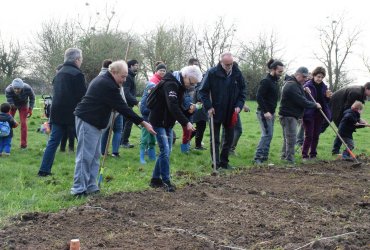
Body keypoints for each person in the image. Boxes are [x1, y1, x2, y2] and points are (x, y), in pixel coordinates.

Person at [71, 60, 155, 197]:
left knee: (95, 155)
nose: (124, 79)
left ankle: (91, 186)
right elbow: (122, 107)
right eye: (122, 76)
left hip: (96, 122)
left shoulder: (109, 82)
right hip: (87, 120)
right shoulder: (106, 84)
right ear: (113, 72)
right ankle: (78, 189)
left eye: (126, 76)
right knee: (85, 156)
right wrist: (143, 123)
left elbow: (118, 105)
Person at [148, 65, 202, 192]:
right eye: (191, 82)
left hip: (167, 122)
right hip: (158, 120)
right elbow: (172, 105)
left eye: (194, 84)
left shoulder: (180, 86)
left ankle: (155, 179)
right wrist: (185, 122)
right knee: (165, 150)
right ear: (185, 76)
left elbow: (179, 106)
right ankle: (166, 181)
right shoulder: (171, 84)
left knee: (166, 151)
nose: (191, 86)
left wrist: (189, 111)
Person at [38, 48, 87, 177]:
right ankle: (86, 172)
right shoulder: (77, 74)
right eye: (81, 59)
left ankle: (43, 170)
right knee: (84, 143)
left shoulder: (59, 74)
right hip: (73, 114)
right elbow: (83, 96)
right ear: (77, 60)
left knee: (53, 143)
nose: (81, 61)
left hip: (57, 113)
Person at [199, 52, 247, 170]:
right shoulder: (212, 73)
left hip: (231, 111)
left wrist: (239, 105)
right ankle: (215, 163)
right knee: (215, 139)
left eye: (231, 64)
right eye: (226, 64)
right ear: (221, 62)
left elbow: (243, 91)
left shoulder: (237, 73)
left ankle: (224, 162)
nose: (229, 66)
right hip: (215, 111)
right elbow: (203, 91)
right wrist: (209, 106)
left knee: (229, 138)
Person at [278, 67, 321, 164]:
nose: (305, 79)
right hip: (288, 116)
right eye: (304, 77)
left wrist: (304, 90)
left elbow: (300, 96)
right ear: (297, 75)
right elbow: (301, 101)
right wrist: (314, 105)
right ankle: (289, 160)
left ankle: (284, 157)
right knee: (291, 138)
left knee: (287, 138)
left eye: (306, 77)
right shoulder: (291, 85)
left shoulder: (296, 84)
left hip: (290, 115)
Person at [254, 59, 284, 164]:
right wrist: (266, 111)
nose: (281, 74)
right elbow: (259, 96)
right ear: (273, 70)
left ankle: (264, 158)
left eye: (282, 71)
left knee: (269, 135)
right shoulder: (266, 81)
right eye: (279, 71)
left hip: (271, 112)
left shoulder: (275, 81)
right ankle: (257, 158)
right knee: (266, 134)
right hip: (263, 113)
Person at [138, 62, 167, 164]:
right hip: (146, 117)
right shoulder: (151, 88)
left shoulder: (158, 86)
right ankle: (141, 157)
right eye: (161, 70)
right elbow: (144, 107)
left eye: (164, 71)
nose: (162, 72)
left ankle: (152, 156)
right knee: (145, 137)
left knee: (152, 137)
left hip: (153, 118)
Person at [330, 82, 370, 154]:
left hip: (343, 110)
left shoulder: (361, 93)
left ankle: (336, 151)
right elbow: (348, 109)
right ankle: (337, 151)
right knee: (343, 129)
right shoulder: (356, 93)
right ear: (367, 89)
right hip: (335, 106)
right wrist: (357, 121)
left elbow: (355, 110)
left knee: (342, 130)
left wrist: (360, 120)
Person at [301, 67, 332, 161]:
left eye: (322, 77)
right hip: (309, 114)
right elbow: (303, 100)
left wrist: (327, 97)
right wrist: (305, 92)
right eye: (318, 76)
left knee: (316, 135)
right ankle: (305, 155)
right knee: (309, 135)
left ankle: (313, 154)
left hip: (319, 114)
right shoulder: (307, 86)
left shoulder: (324, 87)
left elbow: (325, 102)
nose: (320, 79)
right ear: (314, 75)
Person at [99, 59, 125, 157]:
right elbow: (120, 95)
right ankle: (115, 152)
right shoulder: (113, 79)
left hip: (105, 110)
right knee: (118, 130)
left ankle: (103, 151)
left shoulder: (99, 76)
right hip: (115, 109)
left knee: (105, 130)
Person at [5, 78, 35, 149]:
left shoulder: (27, 88)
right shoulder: (8, 90)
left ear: (22, 87)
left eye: (18, 89)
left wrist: (30, 109)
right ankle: (6, 143)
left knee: (23, 124)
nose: (16, 90)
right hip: (12, 105)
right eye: (15, 88)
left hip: (24, 104)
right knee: (8, 123)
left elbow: (32, 98)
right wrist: (13, 121)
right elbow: (10, 102)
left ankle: (23, 145)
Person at [121, 59, 139, 148]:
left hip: (128, 103)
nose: (137, 67)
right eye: (136, 65)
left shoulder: (131, 76)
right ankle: (124, 142)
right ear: (131, 66)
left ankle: (122, 141)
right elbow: (126, 92)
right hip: (127, 103)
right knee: (129, 122)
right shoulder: (128, 76)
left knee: (125, 123)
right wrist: (136, 102)